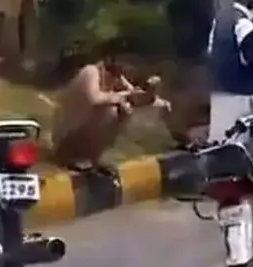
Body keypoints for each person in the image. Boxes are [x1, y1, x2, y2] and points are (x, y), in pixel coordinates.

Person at [52, 45, 168, 173]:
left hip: (82, 131)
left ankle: (91, 157)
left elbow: (135, 98)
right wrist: (121, 97)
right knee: (110, 110)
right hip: (66, 135)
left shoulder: (116, 76)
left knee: (124, 110)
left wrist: (151, 94)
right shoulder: (91, 71)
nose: (129, 66)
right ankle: (71, 156)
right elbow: (95, 99)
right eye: (126, 60)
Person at [167, 0, 219, 145]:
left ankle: (178, 131)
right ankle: (189, 135)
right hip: (197, 49)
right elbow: (206, 19)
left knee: (181, 91)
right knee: (194, 94)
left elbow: (171, 9)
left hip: (179, 47)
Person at [207, 0, 253, 141]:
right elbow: (249, 56)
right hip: (241, 91)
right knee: (239, 142)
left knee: (219, 139)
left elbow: (211, 49)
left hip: (219, 89)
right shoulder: (244, 22)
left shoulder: (221, 18)